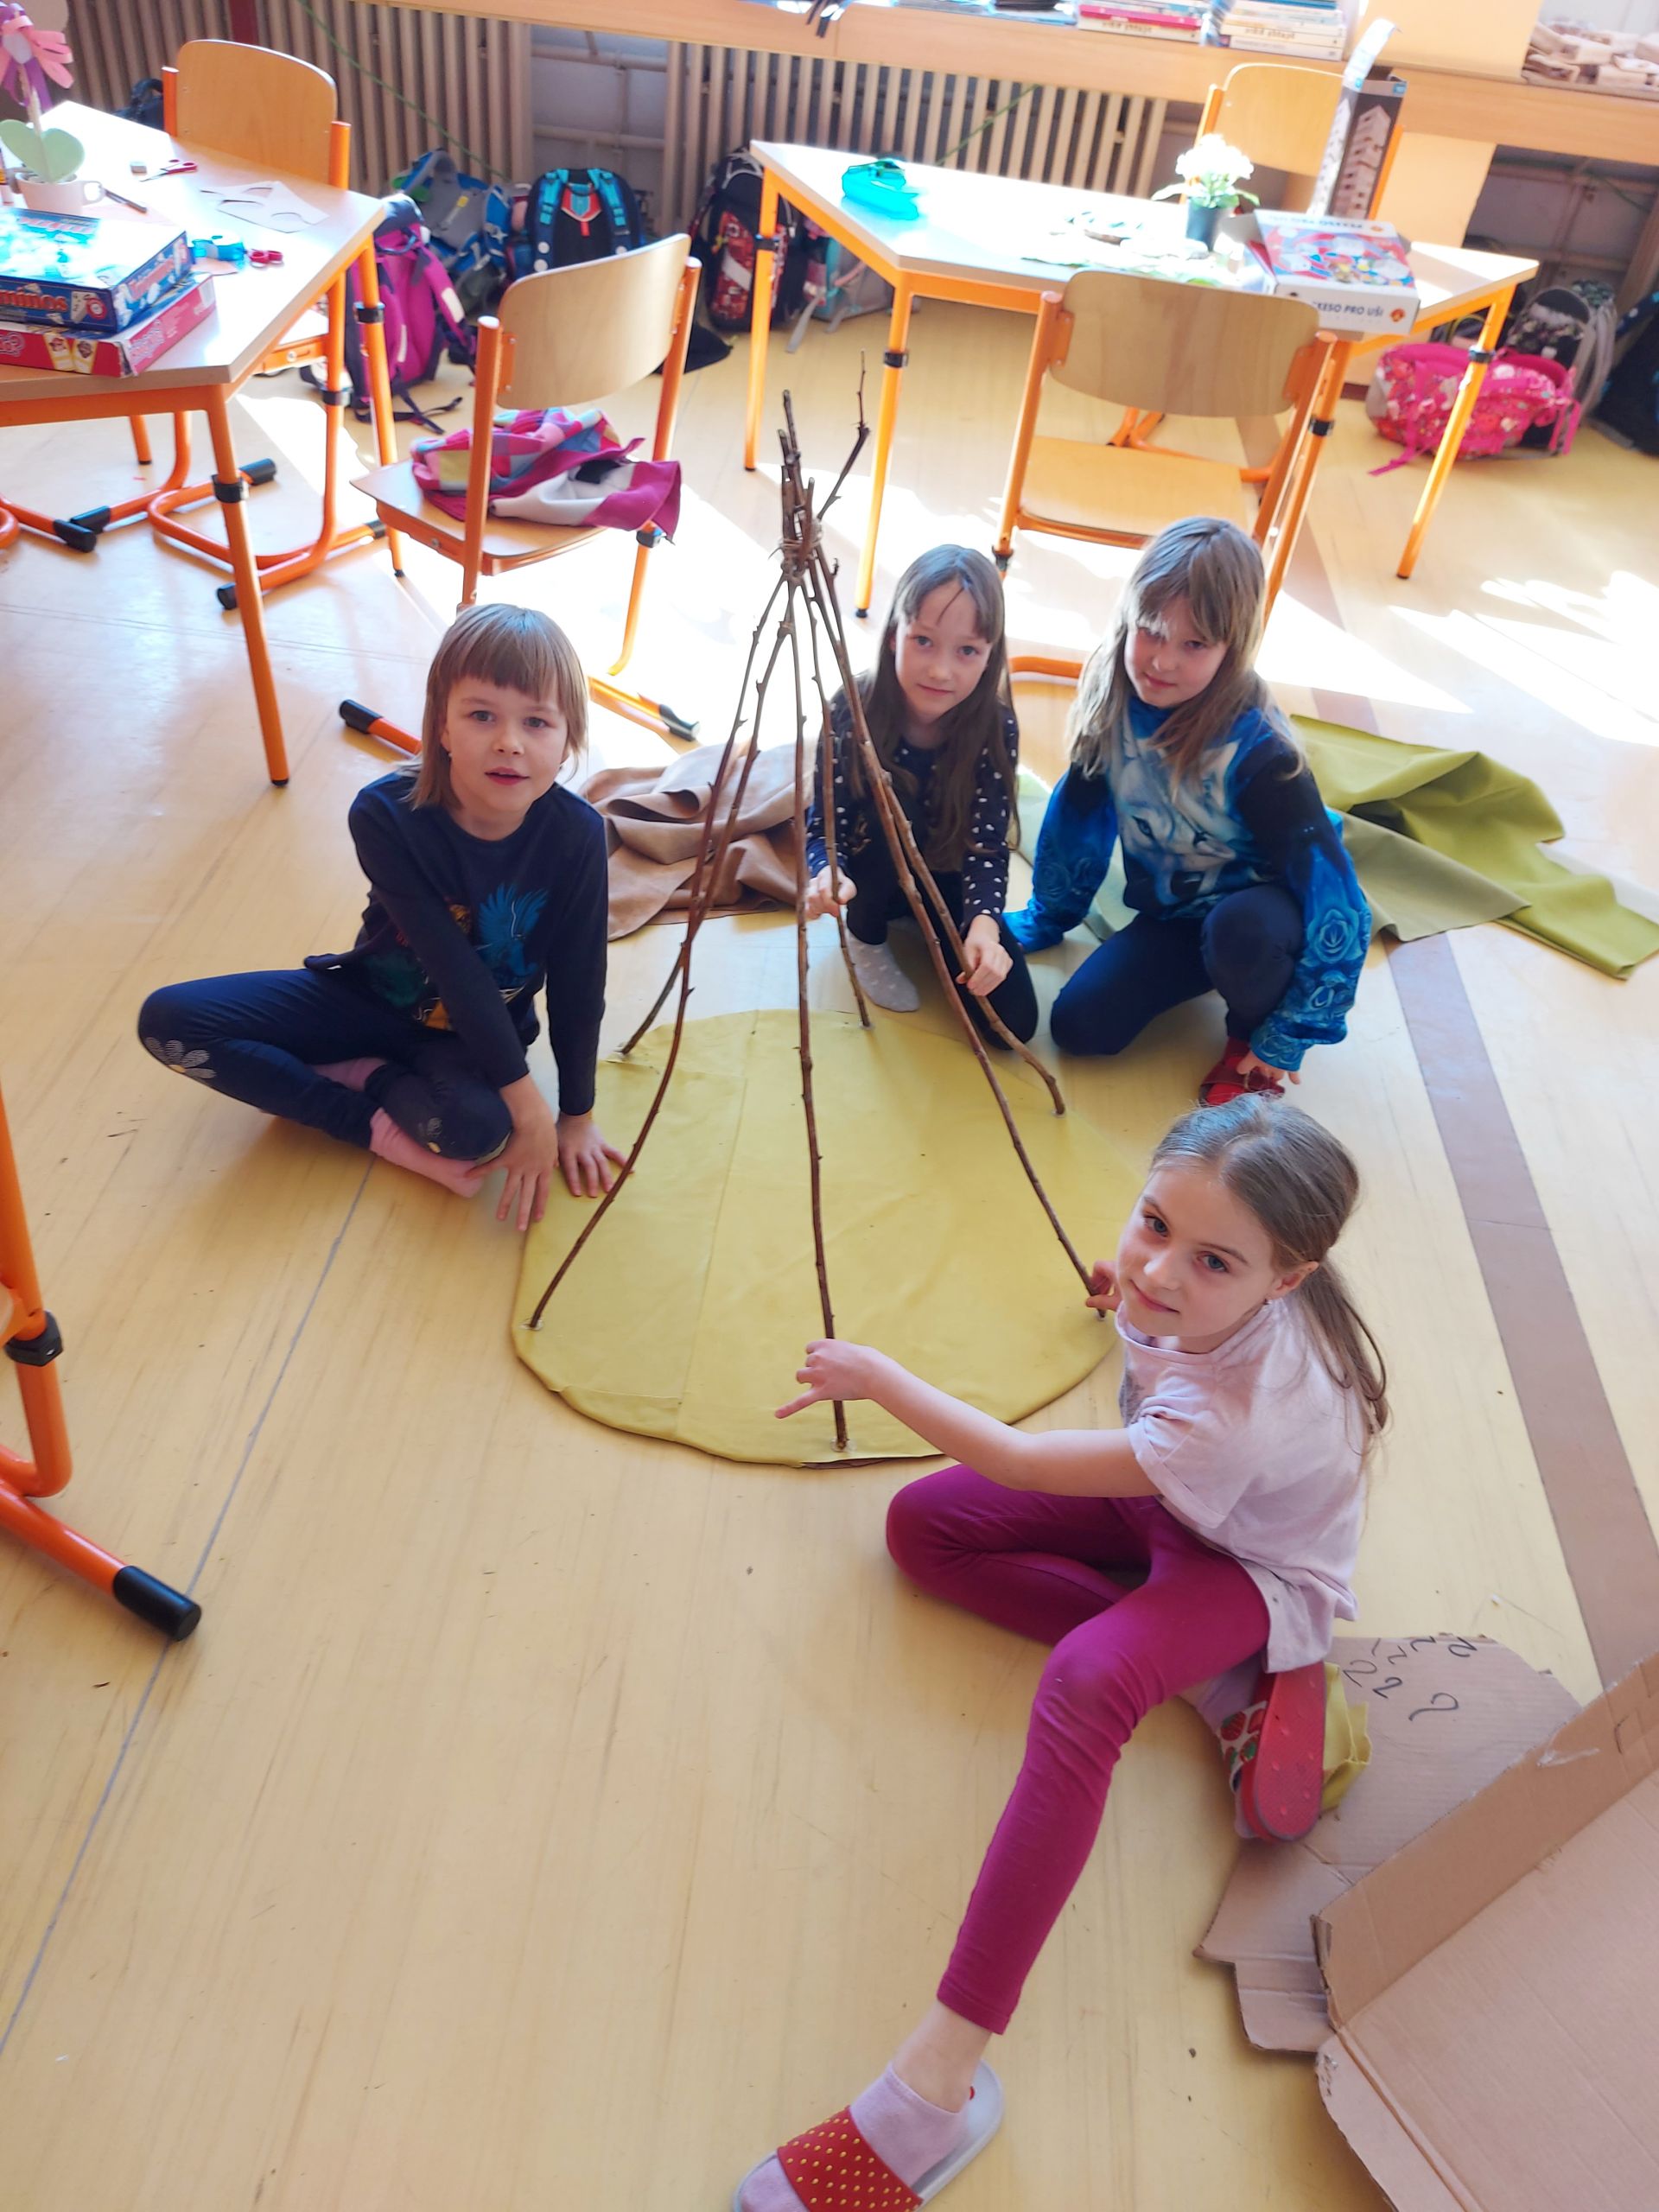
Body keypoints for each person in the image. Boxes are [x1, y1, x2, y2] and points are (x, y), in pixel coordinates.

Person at [737, 1096, 1387, 2209]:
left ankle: (936, 2082)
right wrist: (1143, 1296)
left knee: (1089, 1679)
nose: (1159, 1269)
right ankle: (1208, 1677)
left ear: (1287, 1278)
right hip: (1170, 1504)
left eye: (1212, 1262)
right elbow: (1168, 1308)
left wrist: (881, 1378)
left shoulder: (1233, 1417)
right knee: (923, 1529)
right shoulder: (1220, 1297)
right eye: (1153, 1223)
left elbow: (1028, 1462)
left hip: (1245, 1564)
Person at [137, 604, 622, 1231]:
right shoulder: (385, 814)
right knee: (169, 1022)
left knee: (475, 1132)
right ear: (441, 726)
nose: (509, 741)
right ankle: (370, 1113)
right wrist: (532, 1110)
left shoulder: (576, 836)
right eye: (481, 715)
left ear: (568, 740)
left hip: (471, 1041)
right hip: (364, 1002)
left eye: (537, 721)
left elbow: (581, 983)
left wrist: (575, 1116)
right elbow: (453, 969)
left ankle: (363, 1075)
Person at [1008, 517, 1370, 1105]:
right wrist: (1048, 917)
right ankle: (1214, 964)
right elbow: (1078, 817)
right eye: (1150, 631)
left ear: (1232, 648)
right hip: (1176, 915)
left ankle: (1247, 1029)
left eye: (1194, 644)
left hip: (1262, 918)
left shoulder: (1263, 754)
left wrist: (1291, 1033)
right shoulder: (1112, 692)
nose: (1162, 661)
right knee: (1080, 1028)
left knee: (1240, 932)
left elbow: (1340, 902)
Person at [804, 545, 1037, 1045]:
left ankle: (921, 917)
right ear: (894, 635)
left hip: (946, 878)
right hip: (871, 876)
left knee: (1014, 1025)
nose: (940, 671)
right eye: (924, 641)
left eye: (966, 651)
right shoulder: (852, 709)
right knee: (894, 806)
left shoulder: (995, 726)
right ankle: (867, 934)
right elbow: (825, 824)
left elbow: (986, 843)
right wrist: (828, 872)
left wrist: (983, 926)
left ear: (990, 656)